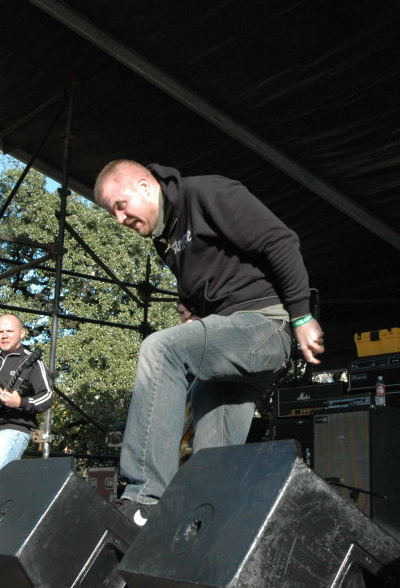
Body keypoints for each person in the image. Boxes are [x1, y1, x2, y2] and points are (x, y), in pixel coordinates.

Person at [94, 160, 323, 526]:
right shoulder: (165, 240)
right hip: (229, 341)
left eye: (120, 206)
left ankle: (144, 498)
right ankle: (203, 527)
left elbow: (279, 240)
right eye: (112, 214)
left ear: (144, 186)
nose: (119, 219)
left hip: (264, 326)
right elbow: (218, 280)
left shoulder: (206, 193)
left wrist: (301, 315)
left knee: (161, 349)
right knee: (211, 455)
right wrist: (193, 308)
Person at [0, 314, 53, 476]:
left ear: (22, 332)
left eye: (10, 331)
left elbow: (47, 396)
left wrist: (20, 402)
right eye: (0, 332)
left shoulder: (32, 362)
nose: (4, 336)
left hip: (12, 431)